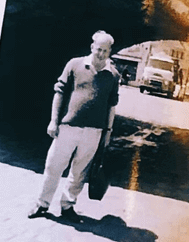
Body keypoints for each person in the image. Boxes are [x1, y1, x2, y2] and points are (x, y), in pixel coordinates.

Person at [31, 30, 121, 219]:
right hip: (68, 127)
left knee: (79, 171)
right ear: (92, 47)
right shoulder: (74, 65)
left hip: (94, 131)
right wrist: (53, 121)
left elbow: (111, 106)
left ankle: (67, 206)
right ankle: (42, 204)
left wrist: (108, 132)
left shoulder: (112, 75)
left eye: (105, 51)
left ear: (110, 51)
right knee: (54, 166)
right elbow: (60, 92)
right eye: (98, 50)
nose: (101, 54)